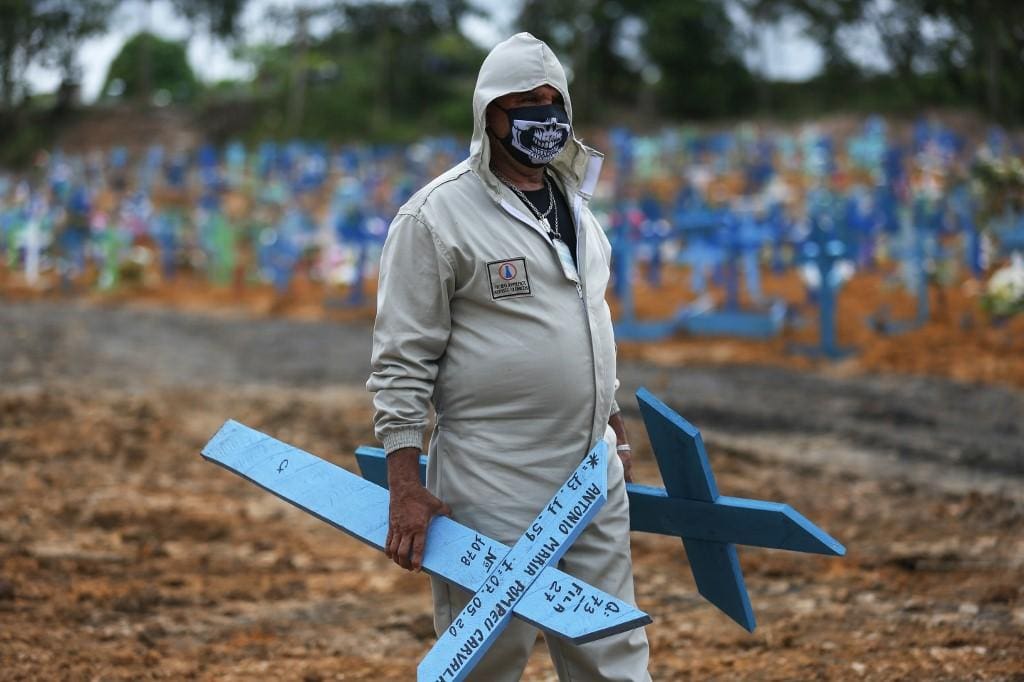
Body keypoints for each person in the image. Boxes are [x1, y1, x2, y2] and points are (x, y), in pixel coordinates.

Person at [366, 32, 650, 681]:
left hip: (590, 476)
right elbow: (400, 362)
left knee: (612, 650)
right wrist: (405, 485)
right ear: (488, 113)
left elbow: (587, 321)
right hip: (494, 480)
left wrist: (609, 416)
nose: (543, 115)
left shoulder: (576, 206)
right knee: (487, 656)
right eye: (524, 101)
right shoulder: (436, 218)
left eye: (554, 101)